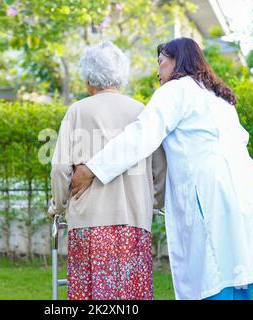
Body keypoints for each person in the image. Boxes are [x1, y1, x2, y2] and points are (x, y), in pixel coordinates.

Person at [70, 38, 253, 300]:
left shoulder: (176, 90)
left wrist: (92, 168)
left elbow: (140, 136)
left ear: (176, 61)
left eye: (160, 62)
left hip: (210, 187)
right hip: (244, 187)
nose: (158, 72)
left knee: (212, 271)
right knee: (237, 268)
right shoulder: (218, 96)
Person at [49, 41, 167, 300]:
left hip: (89, 222)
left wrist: (58, 205)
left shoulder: (77, 111)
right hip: (134, 221)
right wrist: (153, 203)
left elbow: (59, 170)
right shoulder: (141, 111)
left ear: (88, 76)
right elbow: (160, 169)